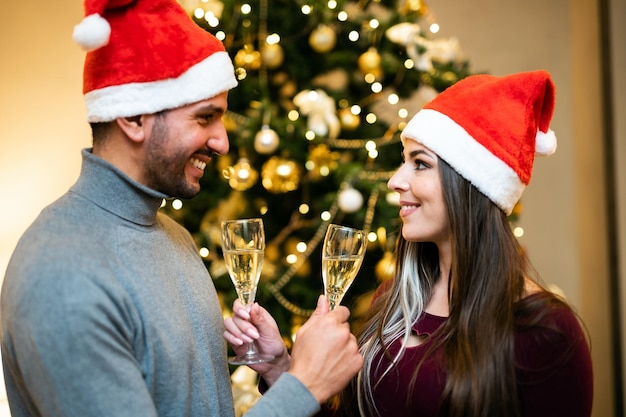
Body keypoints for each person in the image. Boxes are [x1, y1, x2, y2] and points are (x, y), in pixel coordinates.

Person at [0, 0, 362, 416]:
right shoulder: (62, 278)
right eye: (204, 117)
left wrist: (279, 372)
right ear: (133, 116)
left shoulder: (174, 236)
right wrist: (302, 387)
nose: (222, 142)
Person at [226, 70, 594, 417]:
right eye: (405, 161)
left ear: (470, 184)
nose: (395, 181)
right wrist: (281, 370)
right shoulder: (395, 300)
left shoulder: (545, 330)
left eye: (420, 164)